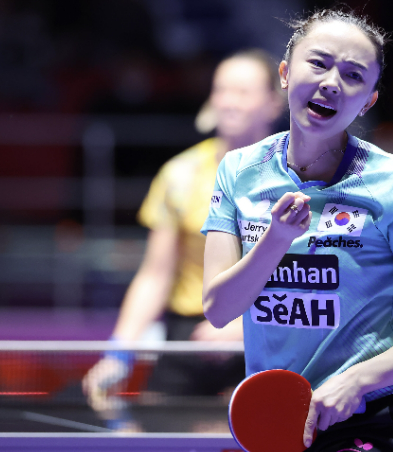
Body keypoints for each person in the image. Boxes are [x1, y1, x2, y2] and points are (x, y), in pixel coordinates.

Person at [201, 8, 393, 452]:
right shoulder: (238, 171)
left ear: (368, 101)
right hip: (278, 417)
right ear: (285, 73)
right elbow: (218, 309)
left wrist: (357, 380)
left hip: (369, 415)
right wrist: (275, 241)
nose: (331, 82)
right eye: (319, 63)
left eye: (352, 75)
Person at [82, 49, 285, 415]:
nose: (228, 101)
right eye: (221, 90)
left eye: (243, 92)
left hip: (271, 332)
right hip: (190, 336)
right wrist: (118, 354)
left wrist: (245, 328)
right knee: (157, 429)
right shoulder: (179, 174)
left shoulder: (295, 176)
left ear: (274, 102)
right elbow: (155, 275)